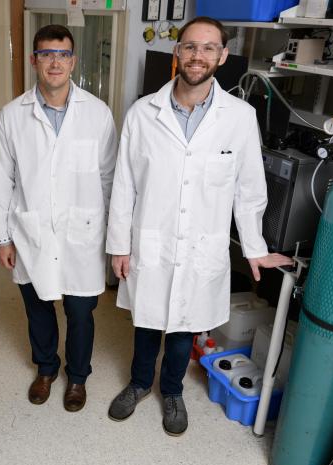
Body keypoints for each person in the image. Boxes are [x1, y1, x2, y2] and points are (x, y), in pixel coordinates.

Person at [105, 17, 292, 435]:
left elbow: (249, 189)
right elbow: (123, 186)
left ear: (223, 56)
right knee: (148, 320)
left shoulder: (239, 117)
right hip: (150, 240)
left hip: (200, 245)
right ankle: (138, 384)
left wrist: (254, 247)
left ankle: (171, 391)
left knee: (184, 324)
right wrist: (119, 245)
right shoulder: (142, 113)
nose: (198, 55)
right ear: (177, 52)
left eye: (209, 48)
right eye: (190, 46)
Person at [0, 24, 117, 412]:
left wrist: (115, 239)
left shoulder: (97, 114)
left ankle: (77, 377)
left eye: (62, 54)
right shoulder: (12, 116)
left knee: (81, 311)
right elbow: (1, 179)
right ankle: (46, 368)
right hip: (32, 231)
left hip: (83, 233)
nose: (55, 62)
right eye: (46, 54)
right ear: (34, 61)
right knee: (38, 306)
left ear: (73, 61)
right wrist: (2, 237)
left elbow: (110, 178)